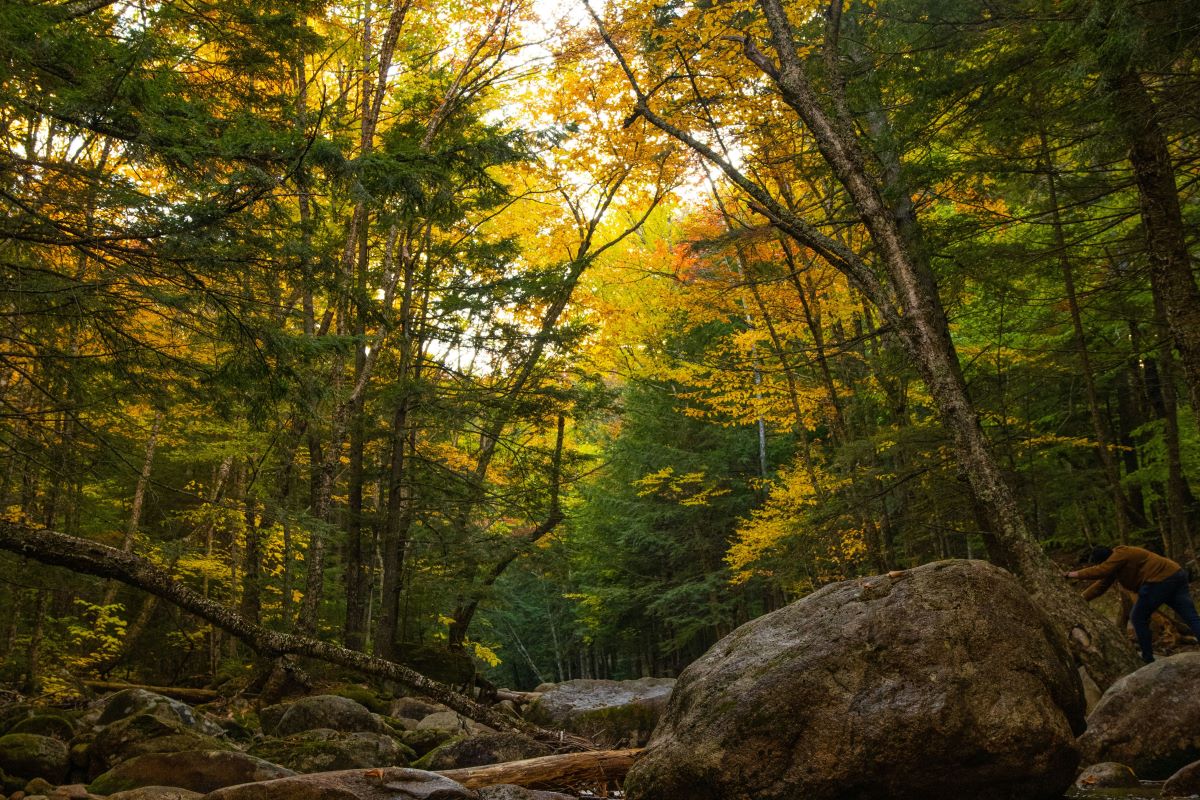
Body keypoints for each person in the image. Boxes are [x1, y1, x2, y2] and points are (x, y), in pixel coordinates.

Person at [1065, 545, 1200, 663]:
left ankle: (1148, 659)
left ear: (1106, 560)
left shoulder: (1121, 553)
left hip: (1159, 581)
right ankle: (1148, 657)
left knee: (1138, 617)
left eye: (1101, 563)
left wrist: (1072, 574)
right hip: (1175, 574)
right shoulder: (1116, 564)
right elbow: (1100, 586)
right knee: (1190, 616)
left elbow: (1101, 571)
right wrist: (1080, 598)